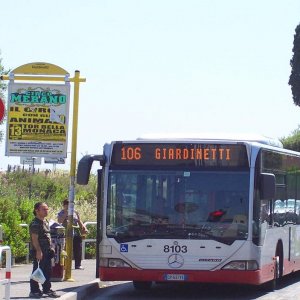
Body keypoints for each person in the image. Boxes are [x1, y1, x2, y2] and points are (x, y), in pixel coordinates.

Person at [29, 202, 59, 298]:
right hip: (40, 252)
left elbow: (47, 236)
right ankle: (34, 291)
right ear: (37, 211)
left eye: (47, 209)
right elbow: (34, 239)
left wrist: (51, 248)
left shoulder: (45, 222)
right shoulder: (35, 223)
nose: (47, 211)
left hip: (47, 251)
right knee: (37, 271)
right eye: (44, 209)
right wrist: (38, 251)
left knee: (47, 272)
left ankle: (46, 289)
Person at [57, 199, 88, 270]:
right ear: (64, 205)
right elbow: (59, 221)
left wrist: (83, 227)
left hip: (76, 232)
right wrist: (66, 213)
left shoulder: (75, 212)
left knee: (78, 249)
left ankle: (78, 265)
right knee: (66, 249)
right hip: (66, 233)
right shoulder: (61, 213)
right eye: (68, 205)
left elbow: (79, 221)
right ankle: (64, 264)